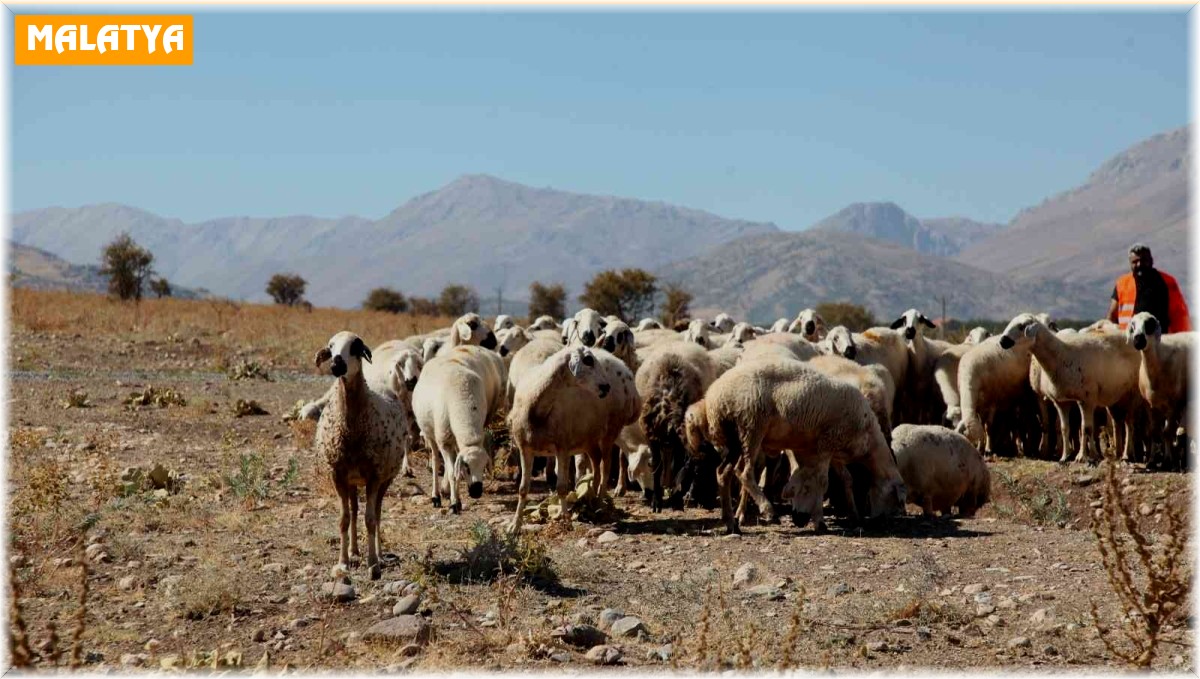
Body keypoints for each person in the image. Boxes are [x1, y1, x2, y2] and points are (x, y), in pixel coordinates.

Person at [1107, 243, 1191, 332]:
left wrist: (1181, 337)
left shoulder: (1167, 282)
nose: (1139, 264)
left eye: (1144, 260)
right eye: (1135, 262)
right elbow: (1112, 315)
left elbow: (1179, 314)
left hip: (1161, 338)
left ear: (1151, 261)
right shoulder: (1122, 283)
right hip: (1128, 337)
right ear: (1130, 263)